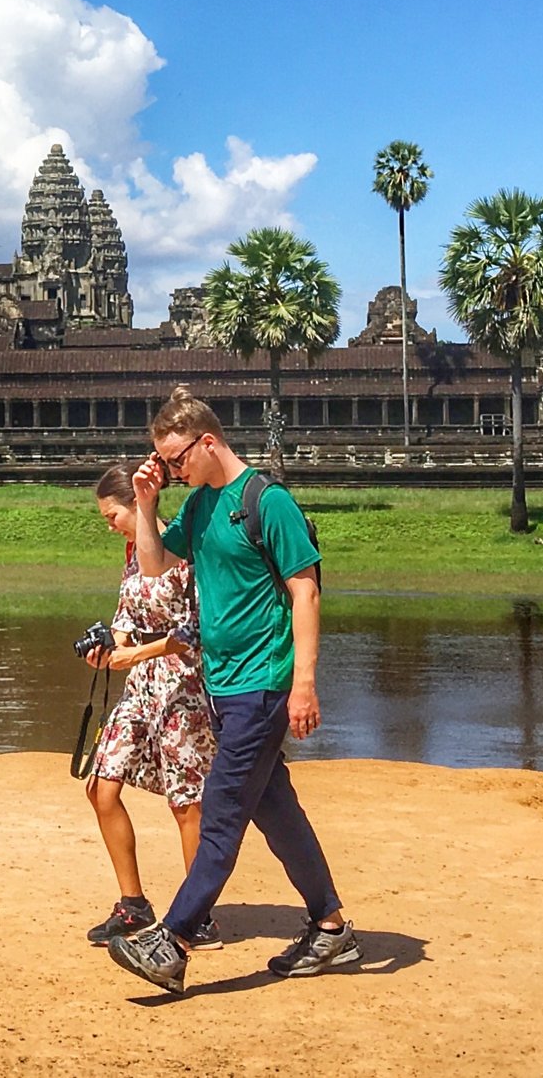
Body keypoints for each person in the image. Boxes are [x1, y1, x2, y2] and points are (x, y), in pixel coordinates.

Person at [107, 386, 356, 994]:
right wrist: (146, 502)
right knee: (276, 811)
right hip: (222, 684)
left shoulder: (266, 502)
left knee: (220, 814)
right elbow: (154, 564)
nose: (172, 469)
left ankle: (175, 938)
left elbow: (306, 592)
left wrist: (304, 685)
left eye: (176, 459)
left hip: (264, 682)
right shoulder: (201, 504)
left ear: (208, 442)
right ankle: (331, 927)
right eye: (165, 463)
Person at [81, 464, 219, 950]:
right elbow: (126, 618)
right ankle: (133, 906)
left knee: (187, 804)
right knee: (100, 786)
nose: (109, 524)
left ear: (139, 503)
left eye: (111, 514)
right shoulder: (131, 553)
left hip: (182, 688)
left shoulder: (184, 552)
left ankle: (197, 915)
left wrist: (134, 652)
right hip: (140, 685)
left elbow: (194, 633)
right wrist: (108, 645)